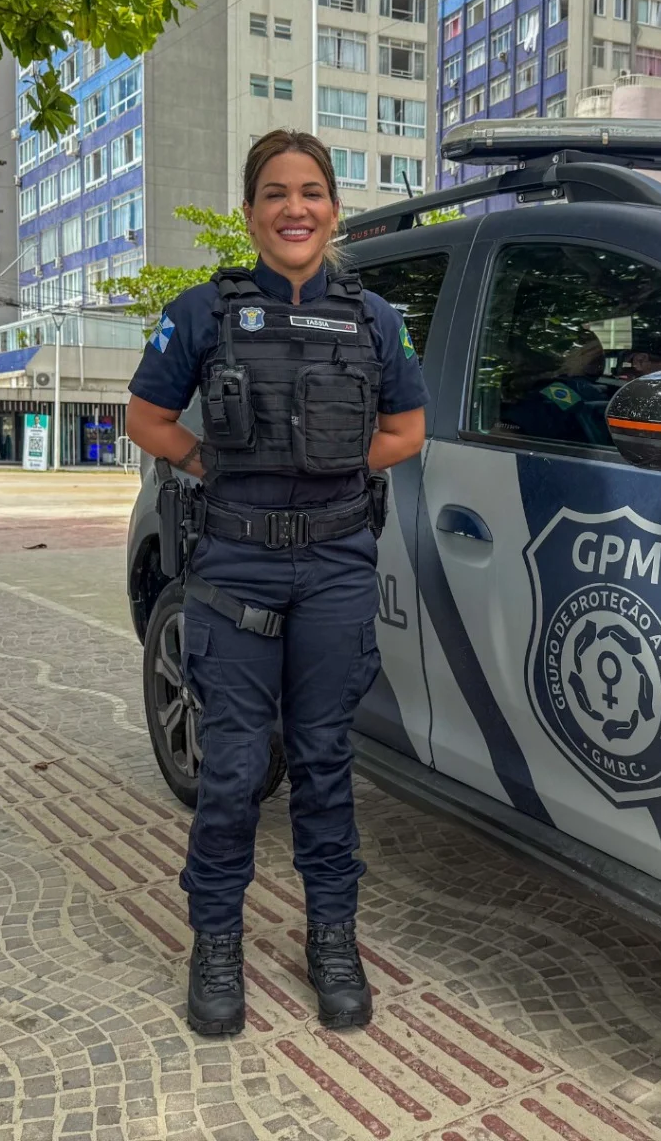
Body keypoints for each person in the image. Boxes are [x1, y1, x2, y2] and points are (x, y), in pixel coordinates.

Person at [125, 129, 427, 1038]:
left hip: (335, 564)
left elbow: (408, 432)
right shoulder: (201, 313)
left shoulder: (375, 320)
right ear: (250, 211)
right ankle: (215, 940)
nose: (295, 209)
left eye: (311, 192)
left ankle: (331, 938)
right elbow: (144, 416)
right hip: (233, 564)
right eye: (274, 193)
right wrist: (208, 464)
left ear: (333, 207)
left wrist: (331, 468)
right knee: (233, 769)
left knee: (327, 763)